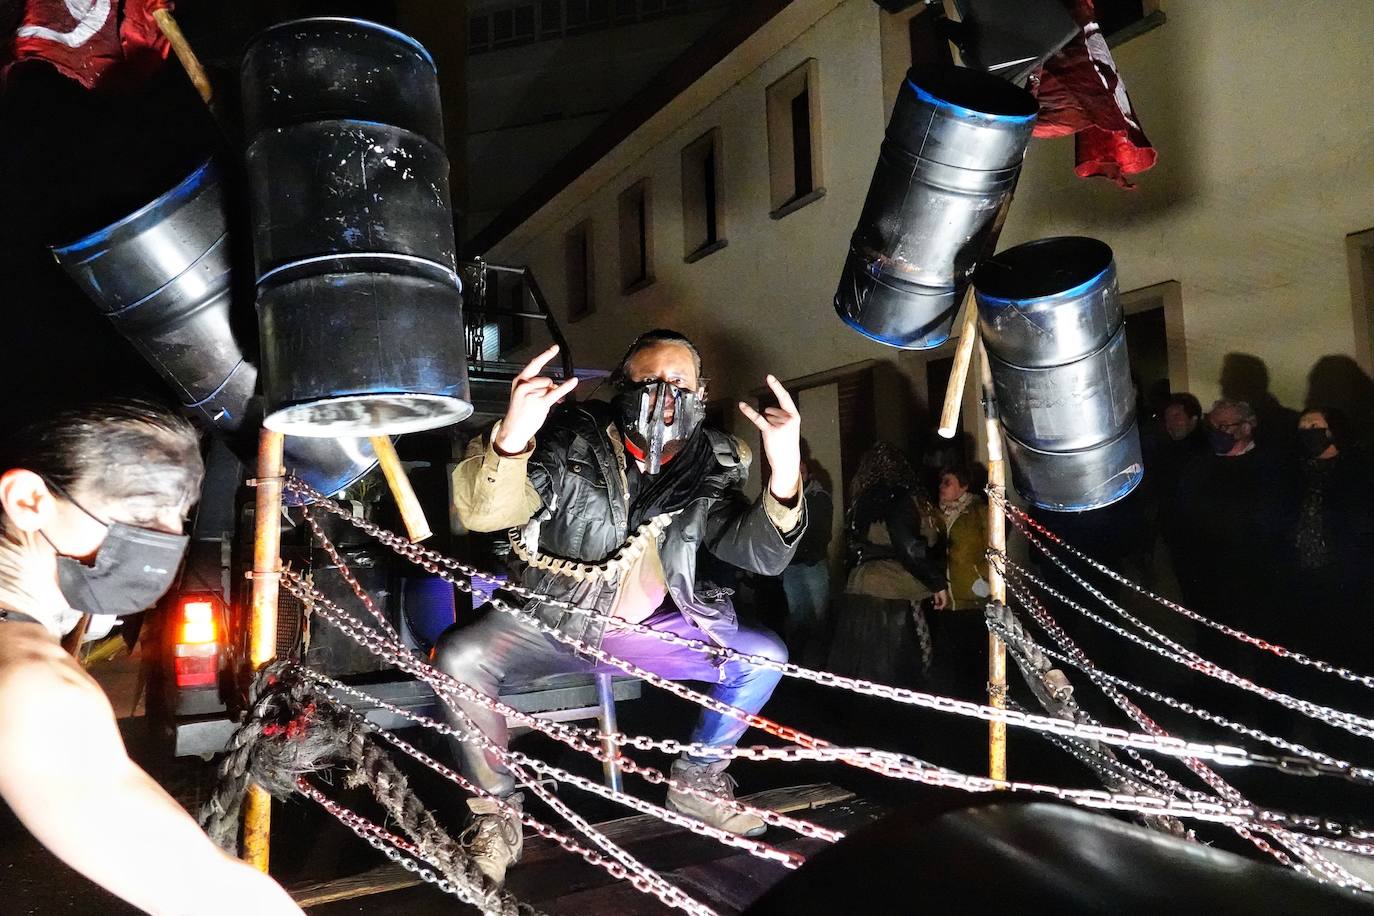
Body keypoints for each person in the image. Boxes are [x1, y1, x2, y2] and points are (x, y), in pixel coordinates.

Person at [438, 332, 805, 884]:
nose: (665, 392)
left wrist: (783, 471)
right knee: (460, 656)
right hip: (548, 620)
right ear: (622, 385)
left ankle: (697, 782)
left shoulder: (713, 461)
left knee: (763, 655)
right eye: (650, 380)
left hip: (645, 633)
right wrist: (513, 437)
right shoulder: (567, 440)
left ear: (702, 392)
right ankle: (495, 817)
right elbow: (486, 514)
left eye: (679, 381)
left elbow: (757, 551)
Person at [0, 399, 303, 916]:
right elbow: (211, 897)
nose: (163, 541)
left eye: (178, 517)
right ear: (29, 500)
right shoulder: (32, 689)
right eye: (141, 513)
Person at [1174, 398, 1293, 670]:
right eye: (1212, 425)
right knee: (1211, 643)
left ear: (1247, 427)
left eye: (1224, 426)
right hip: (1206, 576)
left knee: (1260, 647)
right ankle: (1216, 697)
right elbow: (1182, 516)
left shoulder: (1269, 467)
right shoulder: (1198, 467)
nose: (1217, 431)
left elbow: (1273, 521)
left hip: (1254, 576)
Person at [829, 442, 948, 686]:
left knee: (863, 660)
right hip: (897, 586)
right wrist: (937, 583)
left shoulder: (861, 501)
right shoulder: (903, 499)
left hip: (862, 583)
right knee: (906, 657)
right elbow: (909, 546)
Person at [929, 465, 990, 699]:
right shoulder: (936, 515)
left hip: (971, 596)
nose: (942, 487)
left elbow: (993, 548)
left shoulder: (978, 512)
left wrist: (983, 578)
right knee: (953, 654)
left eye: (948, 482)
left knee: (974, 653)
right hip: (946, 597)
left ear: (964, 486)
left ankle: (979, 699)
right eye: (941, 482)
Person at [780, 455, 833, 667]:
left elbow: (820, 532)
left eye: (801, 473)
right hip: (793, 565)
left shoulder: (818, 497)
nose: (798, 478)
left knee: (819, 615)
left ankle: (820, 663)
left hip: (811, 564)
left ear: (808, 474)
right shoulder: (788, 497)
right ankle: (800, 661)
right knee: (797, 613)